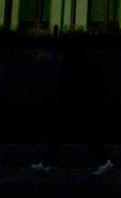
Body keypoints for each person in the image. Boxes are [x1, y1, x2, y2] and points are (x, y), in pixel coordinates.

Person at [30, 43, 113, 175]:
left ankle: (46, 163)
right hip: (78, 104)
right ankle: (103, 161)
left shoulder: (70, 65)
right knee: (82, 134)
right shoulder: (84, 64)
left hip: (72, 104)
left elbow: (64, 85)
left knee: (64, 135)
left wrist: (55, 98)